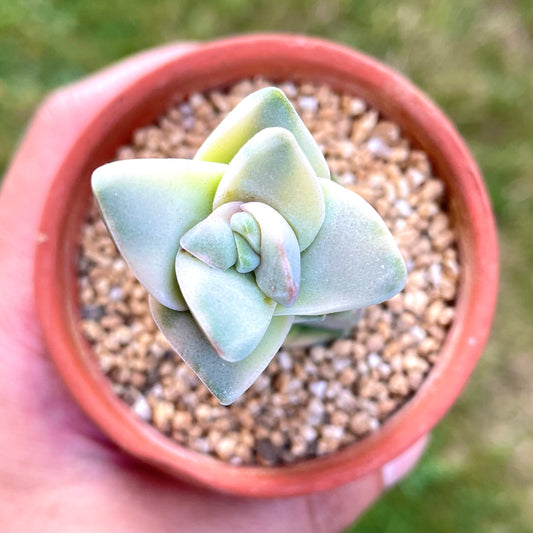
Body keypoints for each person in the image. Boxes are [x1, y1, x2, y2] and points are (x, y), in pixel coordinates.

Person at [0, 44, 427, 532]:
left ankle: (321, 325)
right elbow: (228, 359)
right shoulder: (195, 267)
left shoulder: (276, 159)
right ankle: (319, 328)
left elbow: (276, 136)